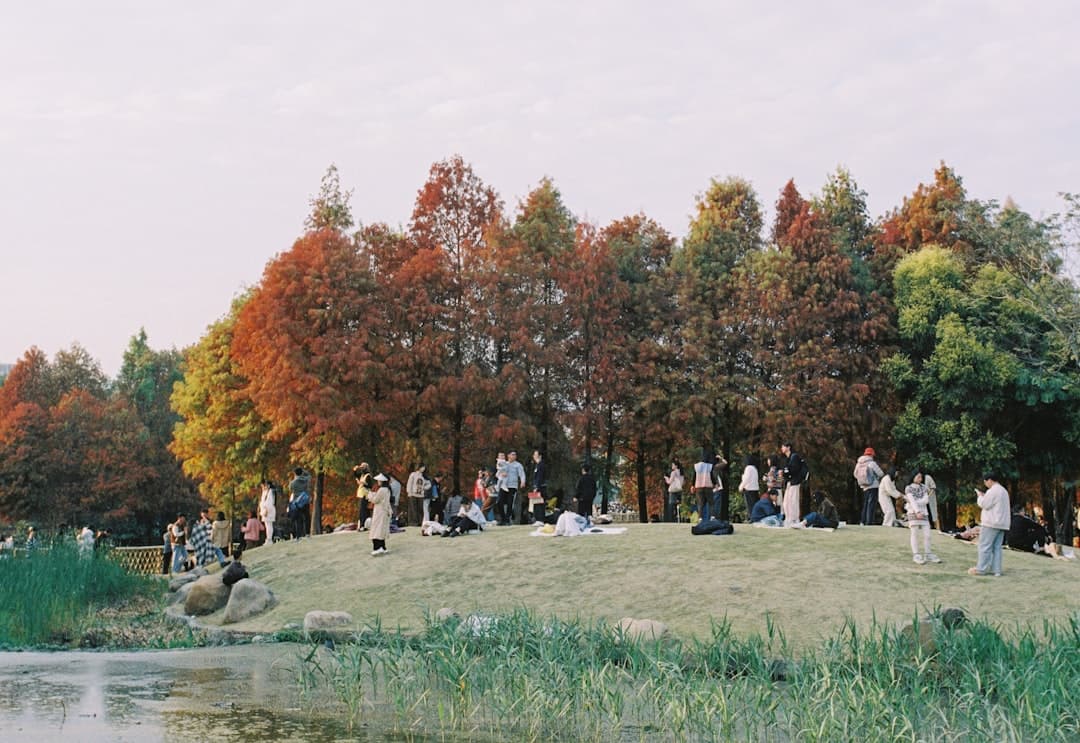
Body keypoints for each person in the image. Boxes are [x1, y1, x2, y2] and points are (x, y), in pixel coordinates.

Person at [969, 472, 1011, 577]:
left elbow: (984, 504)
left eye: (985, 482)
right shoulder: (1003, 491)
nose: (985, 484)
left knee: (985, 546)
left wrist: (980, 496)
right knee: (997, 548)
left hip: (991, 523)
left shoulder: (993, 491)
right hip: (1002, 523)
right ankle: (996, 570)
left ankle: (981, 569)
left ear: (989, 480)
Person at [903, 477, 940, 564]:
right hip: (913, 512)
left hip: (924, 513)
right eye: (918, 476)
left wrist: (915, 502)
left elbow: (925, 500)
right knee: (914, 534)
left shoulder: (924, 487)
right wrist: (917, 511)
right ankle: (916, 555)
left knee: (928, 535)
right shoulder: (908, 488)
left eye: (921, 477)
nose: (920, 478)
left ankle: (928, 554)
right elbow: (911, 500)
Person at [854, 447, 885, 526]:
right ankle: (869, 522)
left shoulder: (859, 463)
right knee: (871, 504)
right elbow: (881, 473)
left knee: (865, 504)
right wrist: (875, 477)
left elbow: (855, 474)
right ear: (872, 455)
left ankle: (863, 521)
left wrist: (863, 479)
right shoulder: (872, 463)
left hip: (864, 486)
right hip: (873, 485)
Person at [780, 442, 807, 527]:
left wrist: (785, 472)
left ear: (788, 447)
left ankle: (794, 519)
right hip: (790, 482)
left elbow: (794, 470)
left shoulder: (794, 456)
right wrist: (784, 472)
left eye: (783, 446)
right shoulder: (788, 458)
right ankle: (788, 518)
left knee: (793, 501)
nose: (782, 448)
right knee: (786, 502)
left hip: (795, 482)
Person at [367, 473, 392, 555]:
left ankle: (377, 547)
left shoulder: (382, 490)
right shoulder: (387, 489)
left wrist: (370, 494)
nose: (378, 482)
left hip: (380, 512)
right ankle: (383, 547)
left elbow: (375, 500)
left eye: (379, 480)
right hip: (383, 512)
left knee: (376, 530)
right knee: (381, 530)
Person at [503, 451, 527, 526]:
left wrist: (523, 481)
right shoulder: (504, 464)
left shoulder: (518, 465)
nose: (514, 456)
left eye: (515, 455)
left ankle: (507, 519)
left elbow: (522, 474)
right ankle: (506, 516)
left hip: (512, 486)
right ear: (508, 455)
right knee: (502, 502)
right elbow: (498, 473)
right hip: (504, 486)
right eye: (512, 454)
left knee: (510, 502)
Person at [288, 467, 312, 538]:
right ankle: (307, 533)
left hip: (297, 502)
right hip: (305, 500)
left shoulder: (293, 483)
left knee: (298, 519)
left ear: (295, 474)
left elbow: (290, 489)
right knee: (307, 517)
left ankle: (299, 534)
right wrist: (305, 472)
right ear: (302, 473)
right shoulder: (306, 480)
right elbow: (309, 476)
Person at [693, 452, 713, 522]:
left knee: (700, 503)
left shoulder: (696, 466)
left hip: (699, 486)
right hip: (708, 486)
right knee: (711, 503)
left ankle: (700, 517)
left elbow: (694, 476)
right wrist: (715, 483)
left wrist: (692, 485)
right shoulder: (709, 466)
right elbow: (712, 476)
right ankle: (712, 516)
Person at [738, 455, 759, 521]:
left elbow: (746, 479)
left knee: (749, 505)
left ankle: (752, 518)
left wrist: (741, 487)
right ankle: (755, 517)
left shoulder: (748, 468)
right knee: (754, 504)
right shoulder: (754, 468)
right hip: (755, 488)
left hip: (749, 489)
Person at [353, 464, 373, 531]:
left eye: (363, 467)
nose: (361, 469)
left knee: (363, 511)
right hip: (361, 495)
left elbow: (370, 486)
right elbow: (356, 476)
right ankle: (362, 525)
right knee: (361, 511)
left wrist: (362, 483)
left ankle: (363, 525)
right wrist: (355, 470)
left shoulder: (368, 476)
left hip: (365, 495)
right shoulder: (362, 475)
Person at [530, 450, 548, 524]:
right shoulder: (537, 465)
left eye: (535, 454)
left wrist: (536, 487)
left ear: (540, 456)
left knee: (540, 503)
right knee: (536, 503)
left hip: (540, 487)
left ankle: (540, 519)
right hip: (536, 486)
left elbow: (539, 477)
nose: (534, 456)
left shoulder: (541, 465)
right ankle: (537, 519)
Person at [664, 458, 684, 523]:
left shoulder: (674, 472)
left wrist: (666, 478)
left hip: (673, 490)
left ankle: (672, 519)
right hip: (679, 490)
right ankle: (679, 518)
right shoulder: (681, 472)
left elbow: (669, 482)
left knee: (671, 505)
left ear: (676, 466)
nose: (672, 466)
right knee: (678, 505)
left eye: (673, 465)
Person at [711, 454, 729, 522]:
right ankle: (716, 517)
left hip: (711, 488)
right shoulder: (716, 467)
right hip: (718, 487)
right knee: (717, 504)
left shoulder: (709, 467)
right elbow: (725, 463)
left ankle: (712, 516)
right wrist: (721, 458)